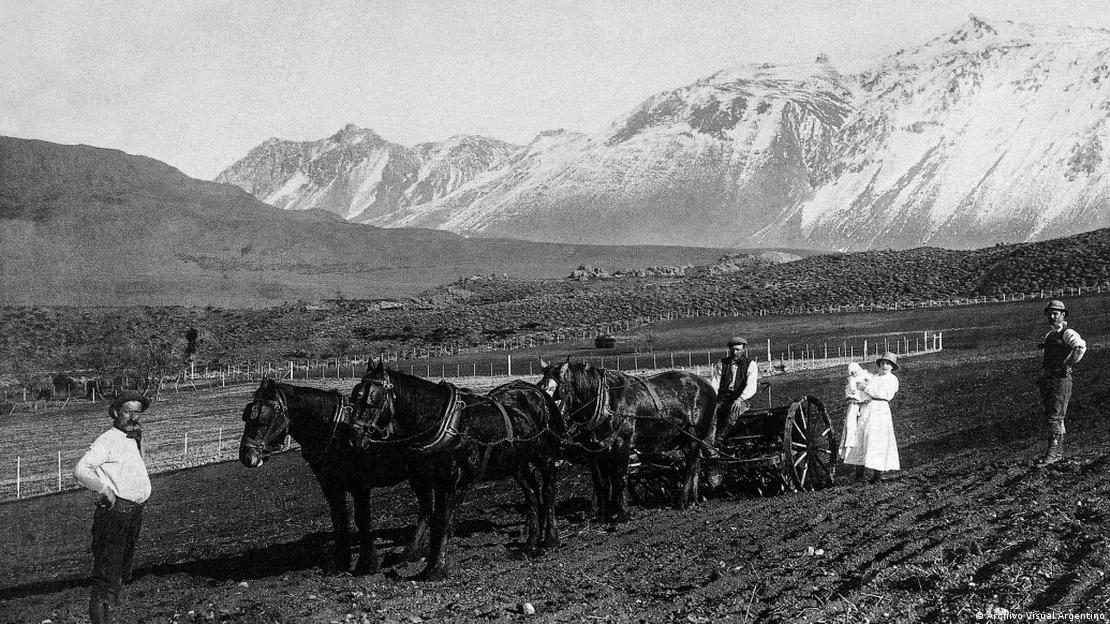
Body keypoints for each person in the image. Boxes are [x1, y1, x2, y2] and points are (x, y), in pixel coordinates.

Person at [74, 390, 152, 624]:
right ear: (116, 412)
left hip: (133, 515)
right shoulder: (106, 440)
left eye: (137, 413)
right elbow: (80, 470)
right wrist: (104, 490)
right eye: (128, 412)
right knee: (106, 580)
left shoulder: (134, 437)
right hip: (115, 517)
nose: (133, 417)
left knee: (119, 575)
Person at [1035, 299, 1087, 466]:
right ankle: (1057, 453)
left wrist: (1067, 364)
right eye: (1049, 313)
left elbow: (1079, 348)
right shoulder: (1050, 335)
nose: (1051, 316)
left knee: (1055, 417)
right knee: (1055, 417)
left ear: (1063, 315)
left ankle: (1053, 454)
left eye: (1055, 313)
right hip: (1049, 379)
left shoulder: (1068, 333)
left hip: (1061, 379)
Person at [842, 352, 900, 483]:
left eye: (888, 364)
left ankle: (877, 475)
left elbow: (885, 394)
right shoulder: (873, 377)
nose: (885, 366)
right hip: (866, 409)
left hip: (880, 411)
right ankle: (859, 475)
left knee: (877, 440)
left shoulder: (892, 379)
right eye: (883, 363)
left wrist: (866, 387)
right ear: (879, 364)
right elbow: (858, 386)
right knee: (860, 438)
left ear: (892, 367)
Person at [707, 336, 759, 453]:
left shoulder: (751, 365)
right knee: (710, 412)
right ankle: (708, 440)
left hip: (741, 399)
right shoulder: (722, 364)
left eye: (738, 350)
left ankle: (718, 442)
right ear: (729, 350)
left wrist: (740, 399)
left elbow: (751, 387)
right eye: (733, 350)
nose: (735, 352)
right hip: (723, 398)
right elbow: (715, 384)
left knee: (733, 410)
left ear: (743, 349)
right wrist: (712, 400)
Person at [838, 362, 870, 462]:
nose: (854, 374)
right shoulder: (851, 381)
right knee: (851, 426)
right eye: (852, 373)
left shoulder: (867, 377)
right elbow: (850, 391)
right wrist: (853, 393)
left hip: (866, 404)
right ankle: (850, 450)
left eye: (856, 371)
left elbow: (869, 388)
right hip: (855, 404)